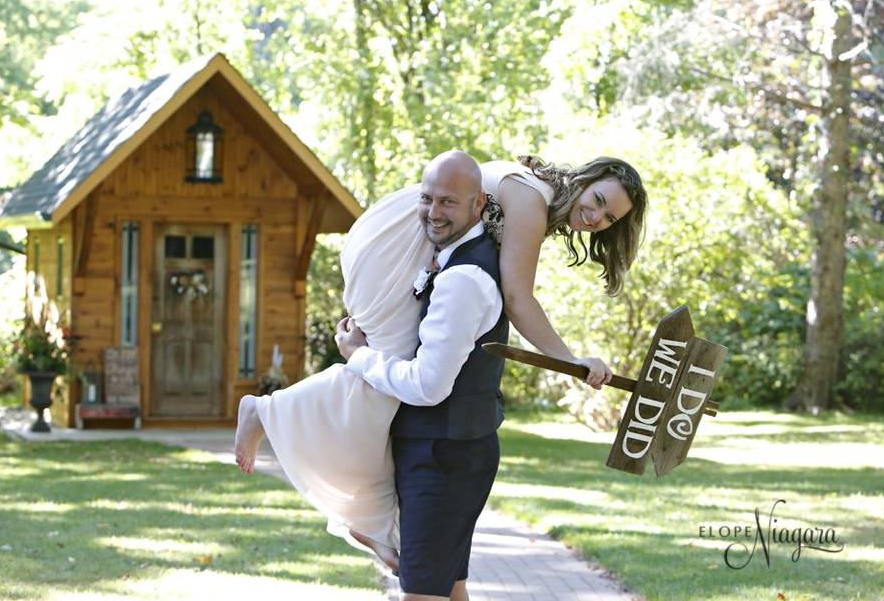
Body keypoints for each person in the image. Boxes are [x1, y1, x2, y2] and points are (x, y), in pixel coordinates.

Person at [234, 149, 647, 571]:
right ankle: (272, 419)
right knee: (386, 378)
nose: (597, 217)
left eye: (610, 218)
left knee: (389, 384)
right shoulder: (531, 201)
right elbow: (518, 299)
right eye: (598, 199)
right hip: (402, 243)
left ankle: (371, 520)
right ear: (586, 177)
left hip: (402, 237)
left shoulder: (538, 198)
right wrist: (572, 360)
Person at [335, 151, 505, 598]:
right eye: (427, 198)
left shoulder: (464, 278)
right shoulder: (454, 260)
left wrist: (359, 357)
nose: (434, 212)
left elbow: (428, 387)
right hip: (452, 451)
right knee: (449, 589)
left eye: (448, 202)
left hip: (444, 458)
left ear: (479, 204)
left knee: (422, 593)